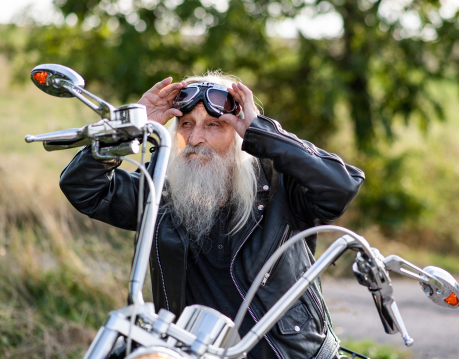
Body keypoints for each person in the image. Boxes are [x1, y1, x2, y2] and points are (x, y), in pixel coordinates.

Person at [59, 72, 365, 359]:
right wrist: (125, 133)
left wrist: (263, 133)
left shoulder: (279, 184)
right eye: (187, 124)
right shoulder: (160, 193)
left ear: (239, 133)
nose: (195, 140)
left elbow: (341, 186)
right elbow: (84, 189)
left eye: (213, 125)